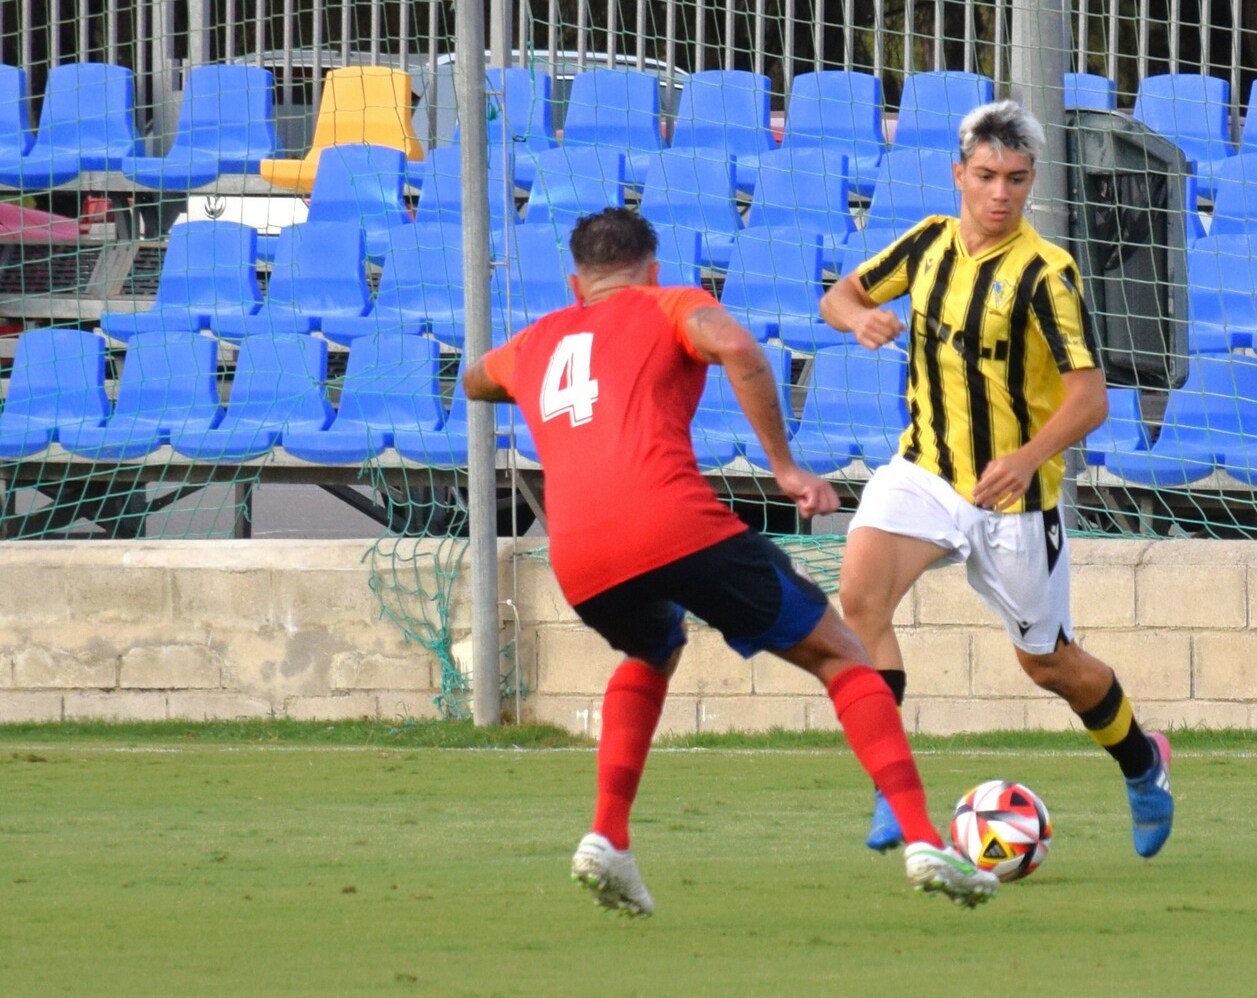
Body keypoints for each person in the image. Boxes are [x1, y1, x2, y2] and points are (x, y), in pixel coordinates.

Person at [461, 208, 998, 914]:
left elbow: (475, 380)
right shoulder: (670, 304)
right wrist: (786, 468)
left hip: (579, 554)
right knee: (843, 655)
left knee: (652, 649)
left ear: (574, 283)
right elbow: (739, 347)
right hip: (671, 521)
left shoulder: (537, 340)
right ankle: (925, 842)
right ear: (652, 272)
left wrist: (531, 374)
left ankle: (608, 837)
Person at [818, 99, 1175, 860]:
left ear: (1032, 181)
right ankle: (893, 788)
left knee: (1049, 664)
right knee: (861, 600)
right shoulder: (927, 244)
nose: (1000, 193)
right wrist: (858, 319)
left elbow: (1091, 399)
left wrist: (1025, 458)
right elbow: (839, 295)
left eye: (1015, 178)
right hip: (924, 471)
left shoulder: (1048, 275)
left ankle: (1143, 763)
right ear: (960, 175)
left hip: (1016, 499)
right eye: (986, 176)